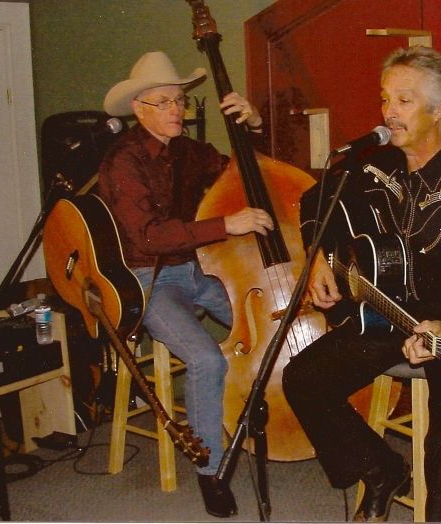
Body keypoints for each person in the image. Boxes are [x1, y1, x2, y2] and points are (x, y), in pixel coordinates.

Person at [282, 46, 441, 522]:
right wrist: (320, 257)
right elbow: (314, 201)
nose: (389, 112)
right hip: (385, 318)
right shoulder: (376, 166)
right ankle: (382, 469)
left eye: (404, 101)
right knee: (303, 379)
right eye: (385, 99)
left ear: (439, 112)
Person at [97, 51, 274, 518]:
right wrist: (226, 224)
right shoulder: (122, 162)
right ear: (139, 109)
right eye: (164, 102)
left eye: (180, 100)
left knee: (270, 322)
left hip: (199, 269)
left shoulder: (188, 151)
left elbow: (246, 172)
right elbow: (149, 237)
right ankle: (210, 471)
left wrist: (254, 125)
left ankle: (273, 420)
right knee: (204, 358)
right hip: (150, 278)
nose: (177, 109)